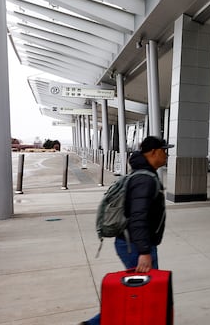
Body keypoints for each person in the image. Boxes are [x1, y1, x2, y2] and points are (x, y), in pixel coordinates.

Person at [82, 136, 173, 325]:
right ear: (154, 152)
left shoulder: (142, 174)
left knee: (148, 289)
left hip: (133, 243)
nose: (166, 154)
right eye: (164, 151)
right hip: (135, 245)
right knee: (147, 289)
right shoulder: (144, 179)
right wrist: (144, 252)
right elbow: (138, 217)